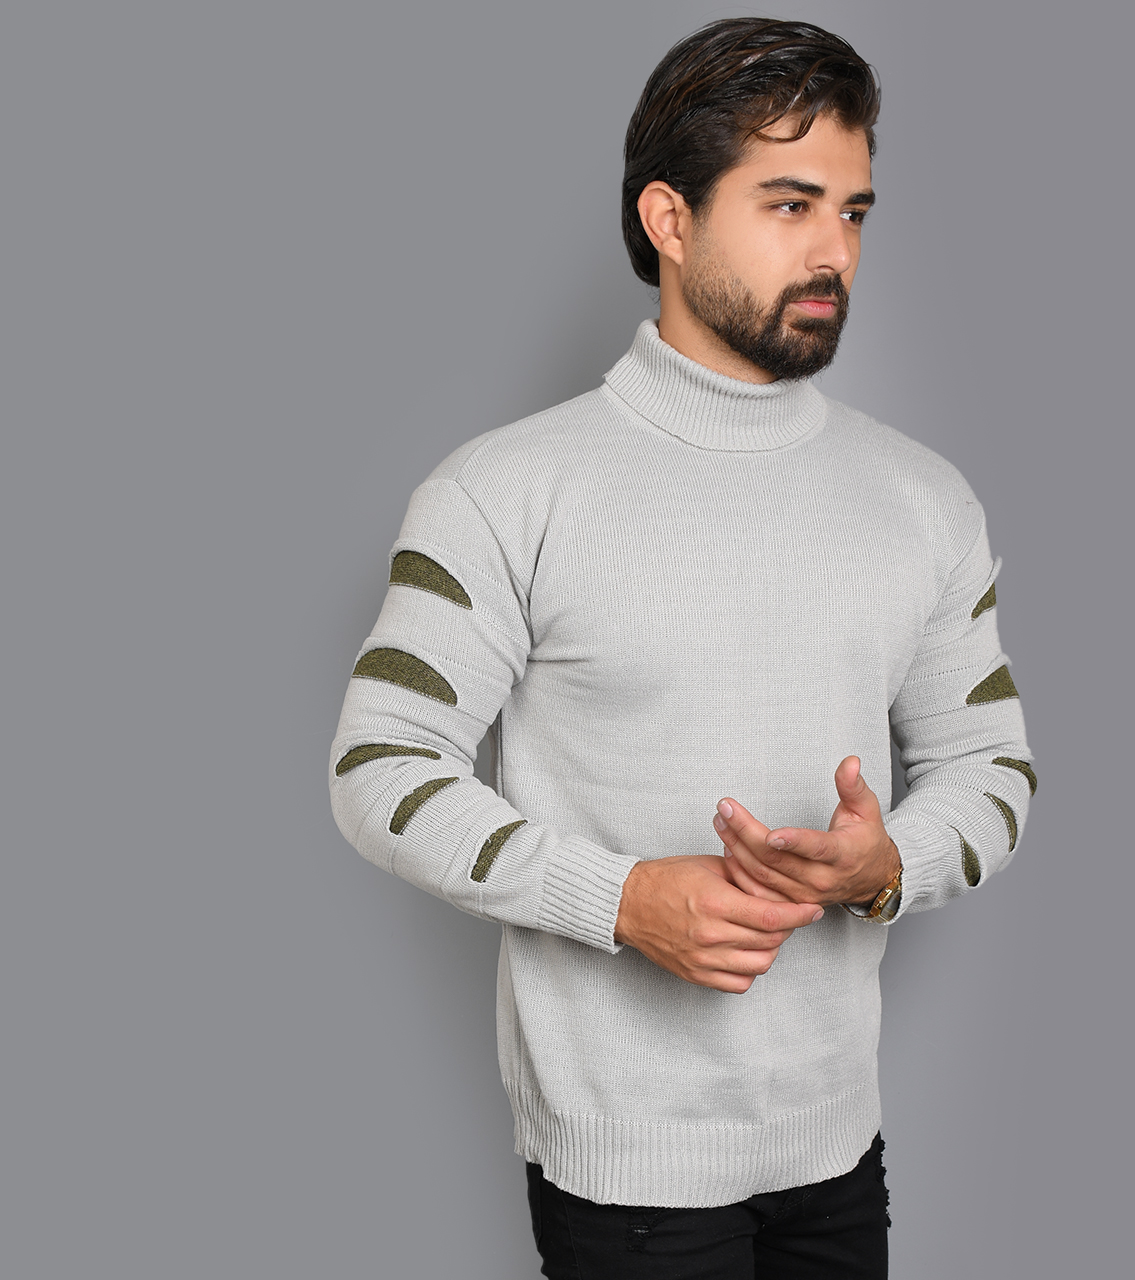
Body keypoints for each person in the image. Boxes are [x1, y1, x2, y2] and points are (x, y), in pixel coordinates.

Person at [329, 17, 1034, 1278]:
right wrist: (617, 899)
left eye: (853, 212)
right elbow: (377, 769)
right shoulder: (500, 491)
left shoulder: (924, 498)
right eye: (788, 204)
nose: (833, 251)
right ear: (668, 218)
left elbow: (994, 769)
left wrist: (886, 863)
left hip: (838, 1144)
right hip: (625, 1174)